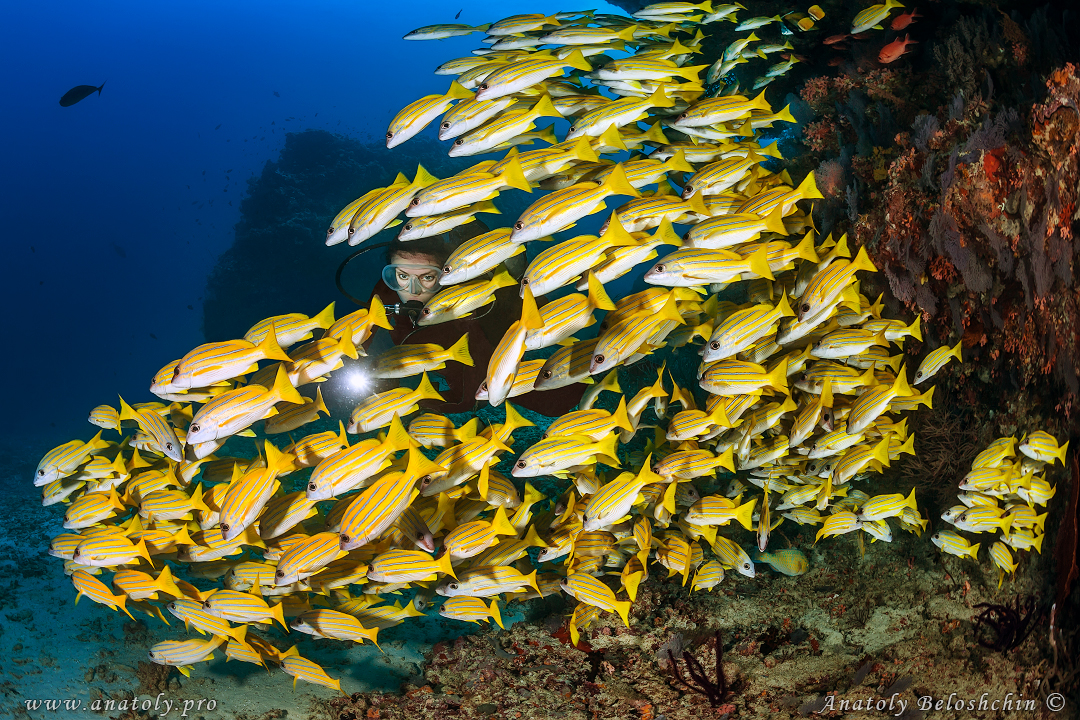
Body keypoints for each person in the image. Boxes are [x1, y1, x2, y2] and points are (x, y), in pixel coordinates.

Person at [366, 221, 585, 415]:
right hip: (438, 359)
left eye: (428, 277)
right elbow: (358, 338)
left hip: (489, 347)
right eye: (402, 276)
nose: (413, 290)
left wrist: (429, 405)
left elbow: (470, 393)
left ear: (443, 275)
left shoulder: (460, 308)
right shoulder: (385, 293)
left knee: (554, 403)